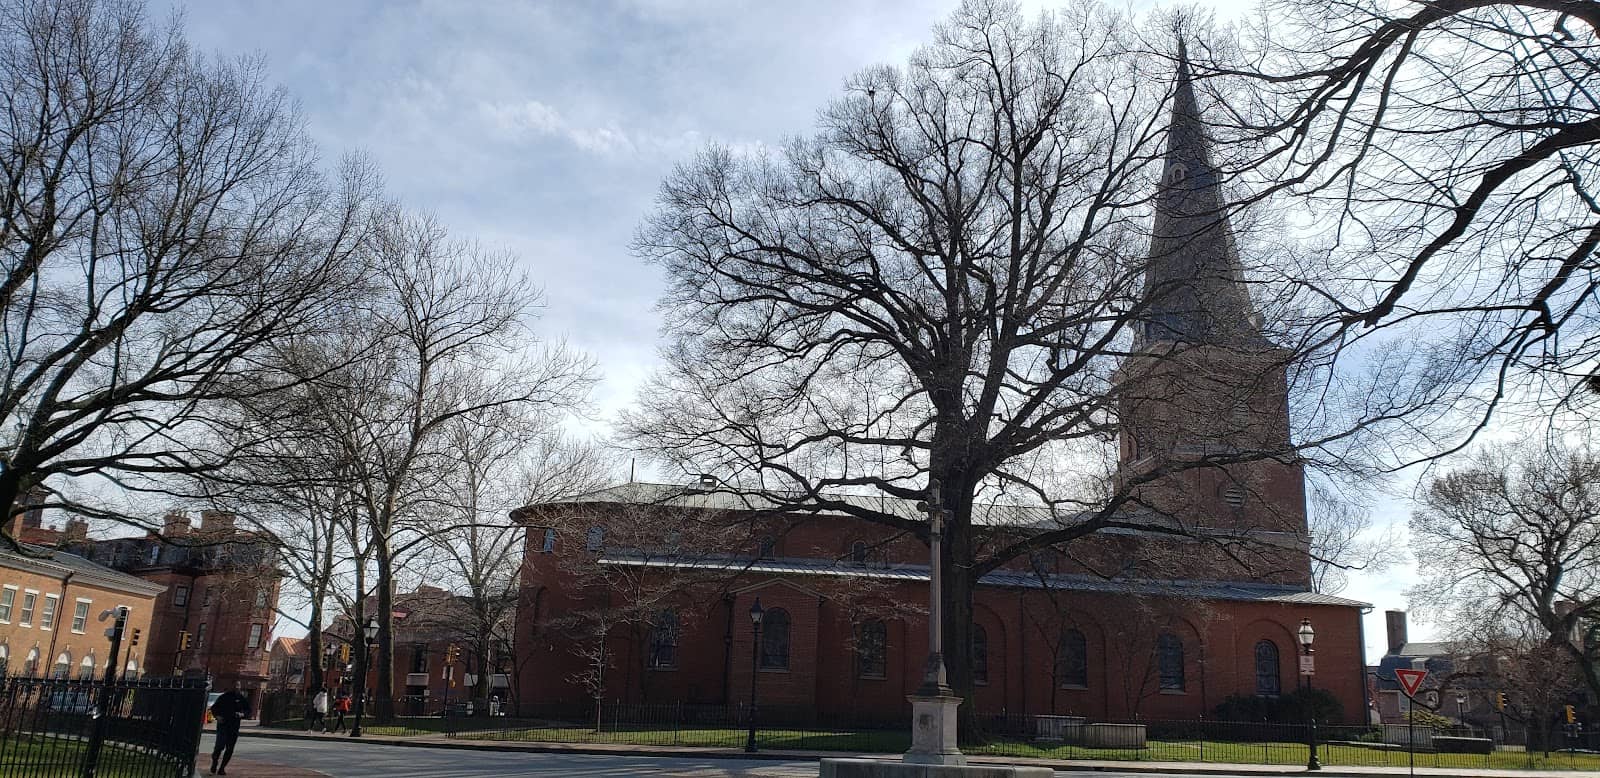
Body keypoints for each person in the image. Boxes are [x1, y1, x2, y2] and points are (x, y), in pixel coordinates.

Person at [209, 684, 250, 776]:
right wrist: (217, 716)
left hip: (234, 727)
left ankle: (222, 768)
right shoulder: (224, 697)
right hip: (223, 725)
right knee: (219, 746)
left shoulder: (241, 698)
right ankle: (214, 761)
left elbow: (248, 710)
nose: (237, 688)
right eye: (235, 686)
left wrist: (242, 714)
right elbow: (214, 708)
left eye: (239, 686)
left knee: (230, 749)